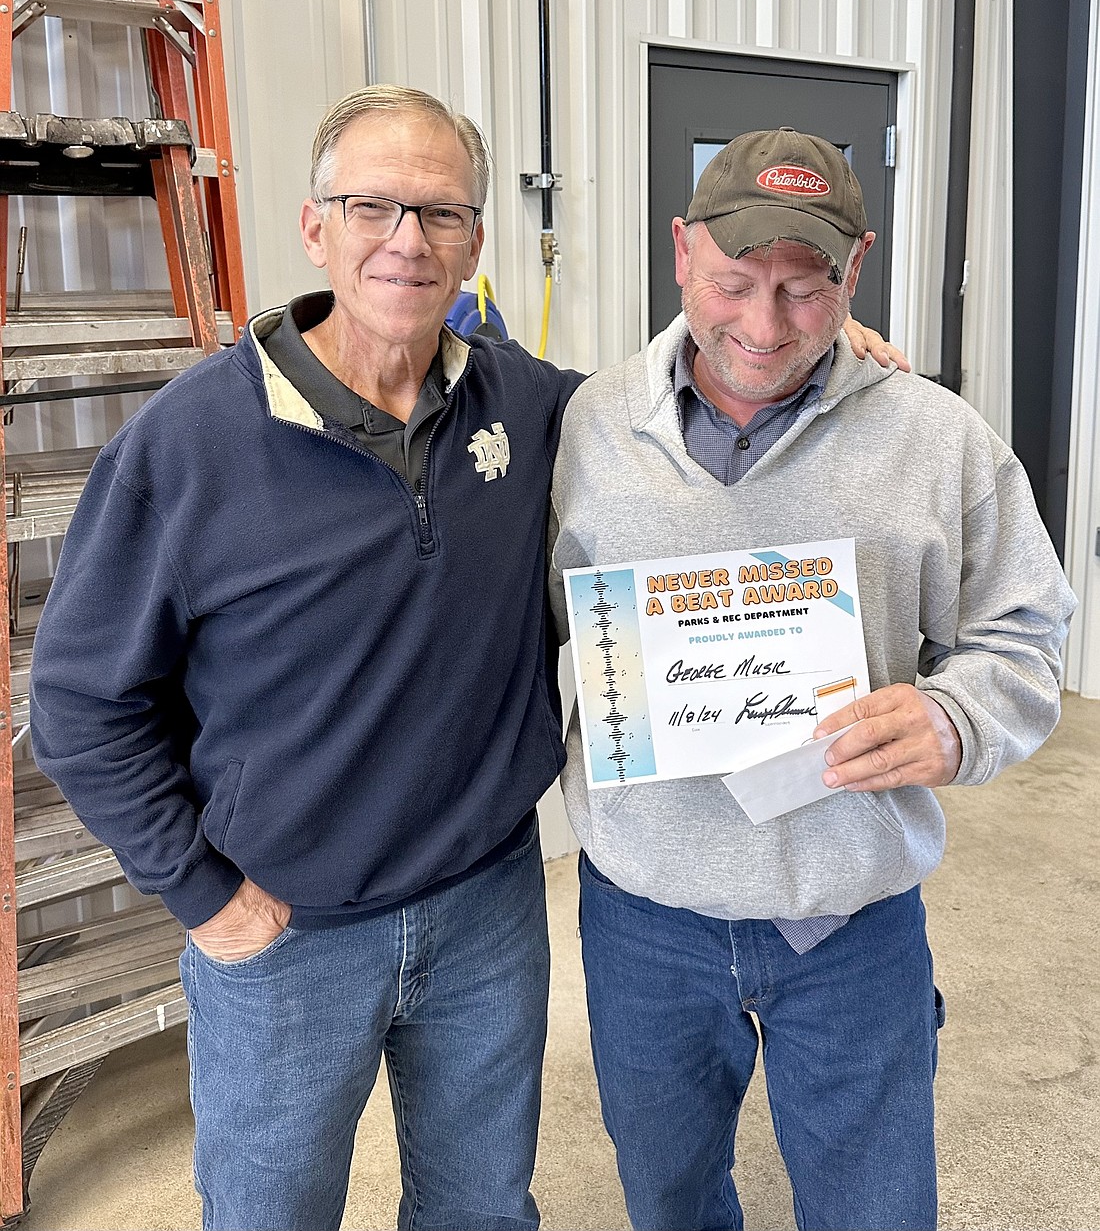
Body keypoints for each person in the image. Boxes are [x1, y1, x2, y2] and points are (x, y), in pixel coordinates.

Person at [29, 85, 904, 1231]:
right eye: (371, 206)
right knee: (267, 1210)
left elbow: (687, 398)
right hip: (285, 927)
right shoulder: (191, 441)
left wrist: (823, 354)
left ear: (476, 241)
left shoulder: (539, 409)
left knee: (481, 1206)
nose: (406, 240)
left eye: (440, 214)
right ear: (314, 227)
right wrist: (203, 896)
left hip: (486, 907)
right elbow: (79, 699)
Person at [549, 126, 1076, 1231]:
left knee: (876, 1206)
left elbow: (1024, 632)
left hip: (850, 917)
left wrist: (955, 716)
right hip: (644, 911)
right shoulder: (586, 426)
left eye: (804, 290)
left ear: (855, 268)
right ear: (680, 250)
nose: (760, 326)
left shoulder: (939, 439)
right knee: (669, 1198)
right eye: (733, 283)